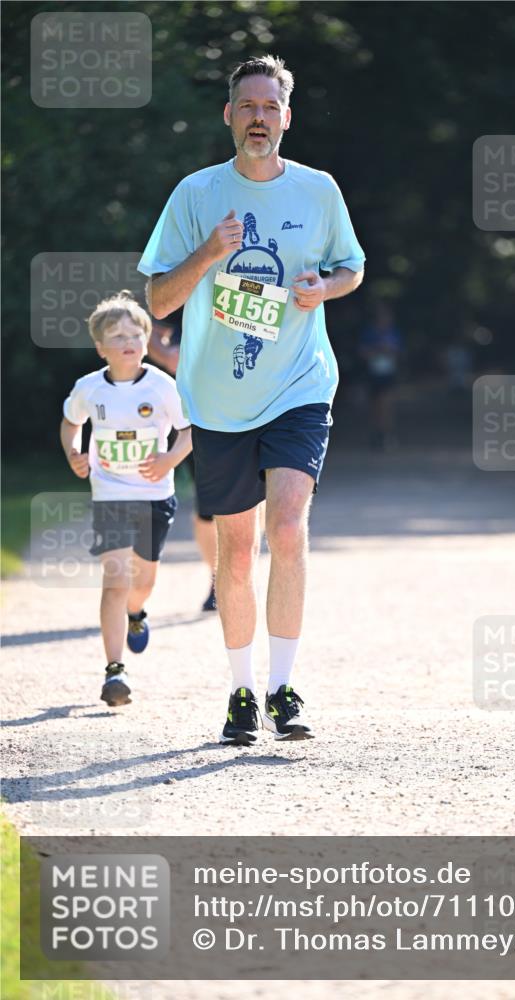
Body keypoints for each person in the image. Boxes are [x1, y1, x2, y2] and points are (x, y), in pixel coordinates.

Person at [139, 55, 365, 745]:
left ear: (286, 117)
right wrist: (208, 253)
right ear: (229, 116)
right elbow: (156, 300)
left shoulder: (318, 191)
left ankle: (283, 687)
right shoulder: (196, 194)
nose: (259, 117)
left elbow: (351, 266)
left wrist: (321, 289)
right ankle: (241, 691)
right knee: (235, 553)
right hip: (216, 399)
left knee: (289, 528)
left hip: (299, 385)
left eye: (271, 106)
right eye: (247, 106)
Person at [60, 291, 192, 707]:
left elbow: (189, 431)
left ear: (147, 338)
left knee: (144, 582)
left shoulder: (163, 385)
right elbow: (70, 424)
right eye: (116, 335)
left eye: (135, 333)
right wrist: (74, 454)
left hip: (155, 495)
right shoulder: (88, 388)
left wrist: (170, 457)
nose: (128, 341)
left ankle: (137, 614)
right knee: (115, 581)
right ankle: (114, 670)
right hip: (110, 495)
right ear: (101, 347)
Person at [147, 306, 218, 611]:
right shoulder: (178, 313)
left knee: (252, 502)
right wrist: (154, 343)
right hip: (197, 425)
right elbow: (167, 354)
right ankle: (218, 579)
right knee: (207, 510)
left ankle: (237, 571)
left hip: (248, 419)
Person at [359, 303, 403, 450]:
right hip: (372, 374)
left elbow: (399, 352)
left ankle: (387, 434)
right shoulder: (369, 333)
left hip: (388, 374)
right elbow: (362, 352)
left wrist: (389, 351)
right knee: (375, 406)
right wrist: (377, 350)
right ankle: (377, 434)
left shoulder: (393, 332)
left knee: (387, 405)